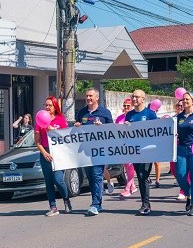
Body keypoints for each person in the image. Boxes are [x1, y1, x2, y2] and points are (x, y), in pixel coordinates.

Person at [75, 88, 113, 216]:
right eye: (87, 96)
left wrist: (102, 127)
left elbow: (113, 130)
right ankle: (98, 202)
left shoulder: (105, 112)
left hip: (100, 150)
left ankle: (95, 204)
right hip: (85, 150)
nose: (88, 98)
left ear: (97, 97)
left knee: (97, 175)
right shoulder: (82, 112)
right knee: (90, 177)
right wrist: (77, 126)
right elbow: (77, 129)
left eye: (91, 96)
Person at [34, 96, 71, 216]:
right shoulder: (40, 120)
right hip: (45, 152)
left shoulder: (60, 120)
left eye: (50, 105)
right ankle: (53, 206)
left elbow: (67, 138)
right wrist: (44, 153)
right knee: (49, 181)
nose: (47, 107)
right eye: (45, 105)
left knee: (58, 180)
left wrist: (52, 131)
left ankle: (66, 199)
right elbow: (37, 141)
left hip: (59, 152)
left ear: (55, 107)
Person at [125, 89, 157, 215]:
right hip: (135, 151)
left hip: (148, 150)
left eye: (137, 97)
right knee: (140, 176)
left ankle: (145, 204)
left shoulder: (150, 114)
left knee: (144, 175)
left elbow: (159, 131)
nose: (134, 99)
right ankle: (146, 203)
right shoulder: (130, 115)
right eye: (133, 97)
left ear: (143, 99)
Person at [116, 98, 138, 198]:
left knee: (130, 167)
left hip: (132, 145)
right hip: (122, 145)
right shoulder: (119, 118)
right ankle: (133, 186)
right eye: (124, 106)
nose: (125, 108)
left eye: (128, 106)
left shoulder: (134, 117)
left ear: (132, 107)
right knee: (127, 167)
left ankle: (127, 188)